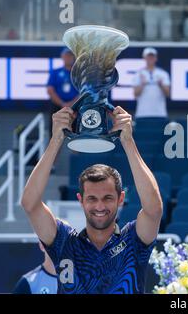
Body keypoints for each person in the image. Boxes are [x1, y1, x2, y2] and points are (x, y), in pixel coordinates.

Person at [20, 106, 163, 294]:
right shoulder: (64, 242)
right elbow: (30, 204)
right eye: (92, 198)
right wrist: (56, 140)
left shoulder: (133, 241)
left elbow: (154, 209)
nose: (100, 206)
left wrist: (127, 142)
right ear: (80, 200)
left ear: (121, 198)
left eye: (107, 198)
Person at [47, 48, 79, 135]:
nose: (68, 58)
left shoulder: (78, 73)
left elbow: (83, 91)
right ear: (62, 57)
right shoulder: (56, 72)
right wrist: (62, 104)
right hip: (57, 106)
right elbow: (50, 90)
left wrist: (72, 103)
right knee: (55, 133)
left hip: (75, 107)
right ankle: (55, 149)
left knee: (76, 135)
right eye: (66, 56)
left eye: (70, 56)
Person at [133, 47, 171, 118]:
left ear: (156, 58)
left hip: (160, 113)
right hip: (142, 114)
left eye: (152, 57)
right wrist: (142, 84)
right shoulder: (138, 74)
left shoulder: (163, 74)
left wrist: (161, 85)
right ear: (144, 58)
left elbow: (168, 94)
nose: (150, 59)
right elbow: (135, 94)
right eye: (148, 57)